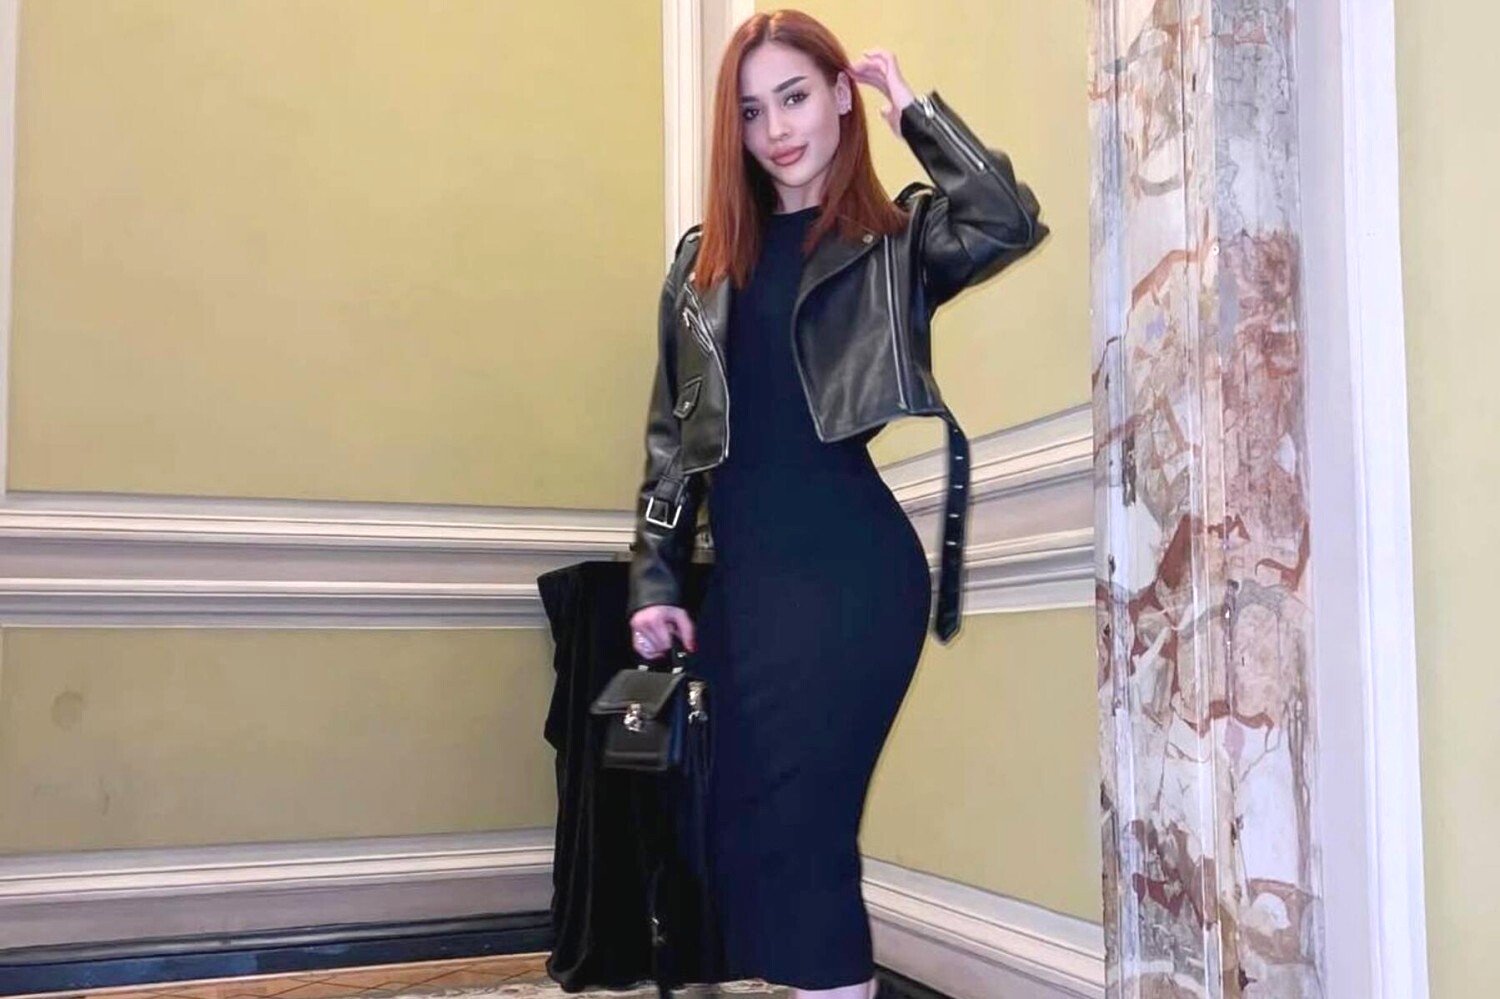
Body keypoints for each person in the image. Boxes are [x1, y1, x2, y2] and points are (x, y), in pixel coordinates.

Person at [624, 9, 1047, 999]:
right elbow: (669, 443)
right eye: (751, 110)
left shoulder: (892, 243)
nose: (776, 128)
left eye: (795, 97)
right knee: (756, 835)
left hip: (852, 578)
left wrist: (914, 113)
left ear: (838, 100)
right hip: (748, 592)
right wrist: (654, 579)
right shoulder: (700, 267)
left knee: (809, 830)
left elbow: (1004, 219)